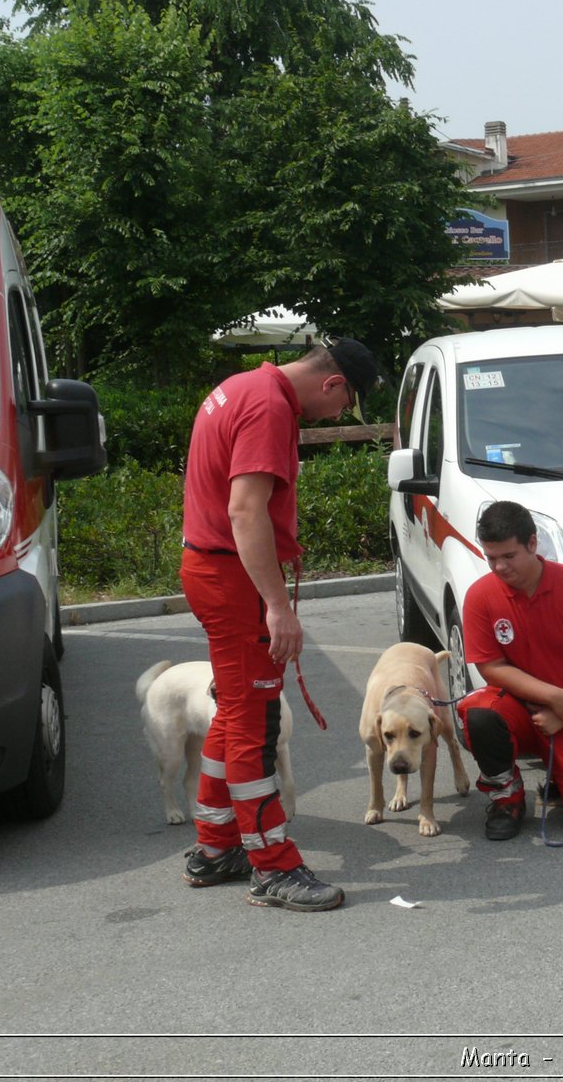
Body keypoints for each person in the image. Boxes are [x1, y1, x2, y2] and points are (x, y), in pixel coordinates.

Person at [180, 335, 379, 912]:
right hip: (234, 580)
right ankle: (272, 866)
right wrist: (277, 605)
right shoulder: (268, 407)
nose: (337, 415)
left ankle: (216, 846)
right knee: (254, 723)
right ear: (333, 382)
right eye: (344, 405)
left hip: (210, 568)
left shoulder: (239, 386)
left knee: (236, 709)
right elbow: (245, 510)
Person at [456, 500, 563, 839]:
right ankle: (507, 796)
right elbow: (491, 667)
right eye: (491, 558)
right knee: (477, 712)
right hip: (519, 709)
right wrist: (554, 698)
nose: (499, 567)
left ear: (532, 544)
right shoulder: (480, 596)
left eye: (508, 556)